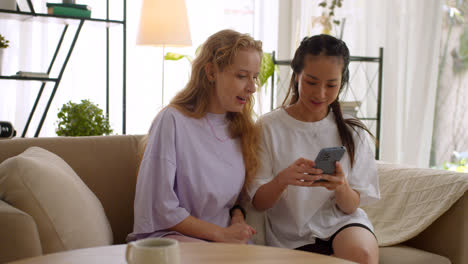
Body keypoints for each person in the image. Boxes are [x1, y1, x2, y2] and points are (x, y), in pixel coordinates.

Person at [247, 34, 380, 264]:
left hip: (341, 223)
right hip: (291, 235)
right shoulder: (268, 127)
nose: (320, 93)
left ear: (342, 82)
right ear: (296, 75)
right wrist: (282, 180)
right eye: (311, 82)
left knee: (363, 255)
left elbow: (350, 207)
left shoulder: (353, 133)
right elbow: (258, 203)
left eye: (331, 85)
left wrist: (341, 186)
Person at [127, 29, 262, 244]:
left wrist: (237, 220)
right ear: (211, 72)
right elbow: (161, 206)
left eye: (254, 77)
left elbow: (236, 201)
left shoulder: (242, 129)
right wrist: (221, 234)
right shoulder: (172, 121)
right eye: (241, 75)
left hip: (223, 241)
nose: (252, 87)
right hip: (172, 239)